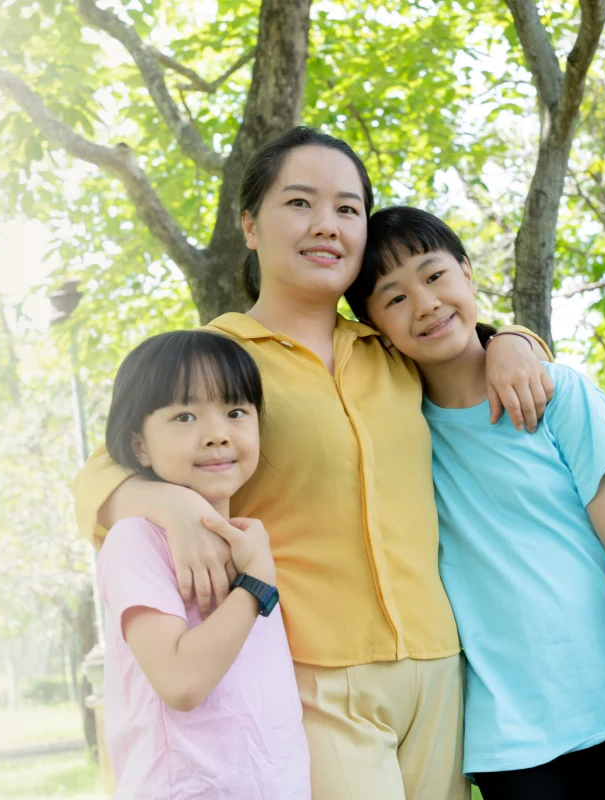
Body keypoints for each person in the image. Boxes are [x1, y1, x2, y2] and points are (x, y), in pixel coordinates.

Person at [73, 126, 557, 800]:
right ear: (249, 224)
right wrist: (170, 503)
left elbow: (462, 341)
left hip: (438, 663)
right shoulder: (214, 358)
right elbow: (102, 473)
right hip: (315, 674)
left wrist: (512, 339)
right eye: (299, 203)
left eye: (347, 209)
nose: (326, 225)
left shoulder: (391, 344)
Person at [345, 206, 605, 800]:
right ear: (374, 326)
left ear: (467, 273)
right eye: (395, 297)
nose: (427, 303)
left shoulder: (559, 393)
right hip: (508, 738)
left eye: (435, 276)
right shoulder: (400, 430)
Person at [96, 329, 308, 799]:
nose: (216, 435)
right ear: (140, 445)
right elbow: (182, 682)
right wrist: (255, 586)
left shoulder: (250, 541)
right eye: (185, 416)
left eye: (236, 412)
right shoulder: (135, 539)